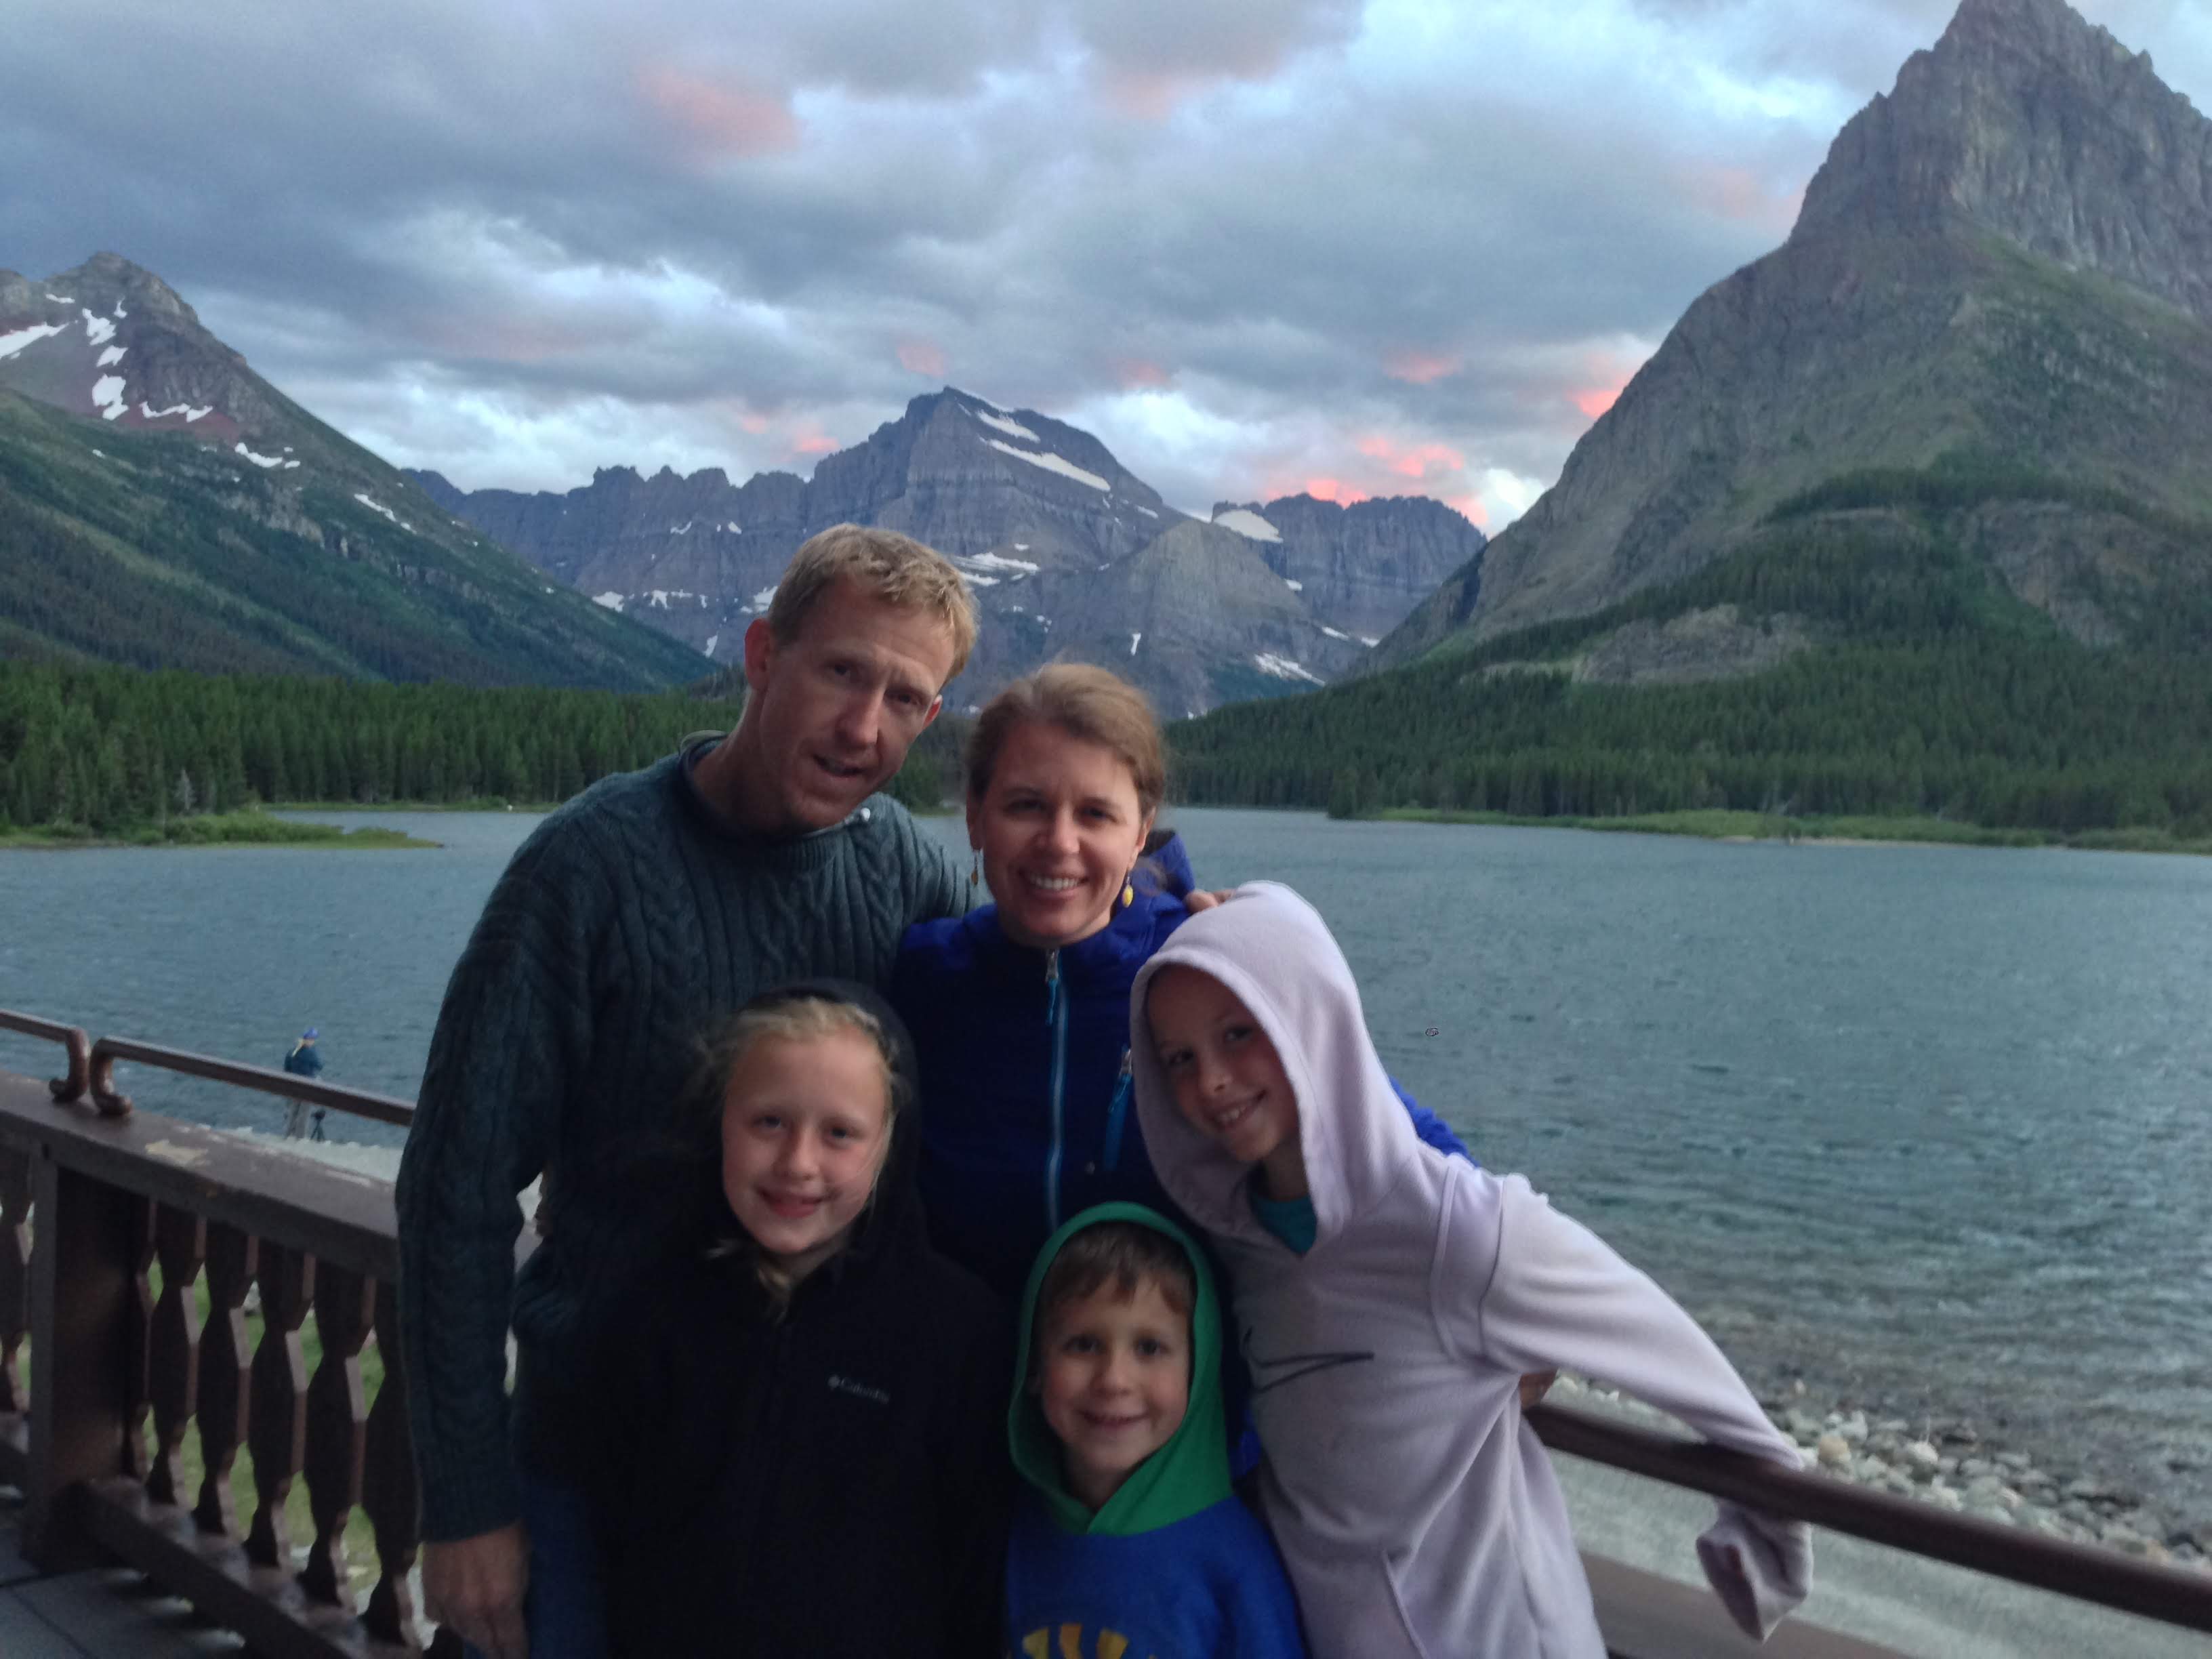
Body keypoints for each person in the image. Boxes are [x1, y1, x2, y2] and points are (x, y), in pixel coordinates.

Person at [394, 524, 979, 1659]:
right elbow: (456, 1187)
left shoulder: (901, 867)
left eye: (904, 699)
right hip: (586, 1462)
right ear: (762, 654)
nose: (864, 726)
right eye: (842, 671)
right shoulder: (588, 868)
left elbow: (1018, 1004)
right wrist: (464, 1499)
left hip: (808, 1466)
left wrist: (1175, 934)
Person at [1130, 883, 1814, 1659]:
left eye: (1239, 1032)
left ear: (1309, 1016)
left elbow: (1665, 1348)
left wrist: (1763, 1547)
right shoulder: (1240, 1244)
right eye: (1179, 1058)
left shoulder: (1458, 1229)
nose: (1211, 1081)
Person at [890, 662, 1471, 1305]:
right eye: (1026, 805)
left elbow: (1390, 1135)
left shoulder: (1205, 973)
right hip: (961, 1367)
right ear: (975, 815)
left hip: (1187, 1371)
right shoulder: (922, 979)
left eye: (1095, 814)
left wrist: (1503, 1282)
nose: (1059, 842)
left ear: (1140, 832)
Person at [579, 982, 1007, 1658]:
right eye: (769, 1123)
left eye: (840, 1134)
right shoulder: (653, 1310)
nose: (797, 1163)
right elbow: (611, 1524)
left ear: (890, 1145)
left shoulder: (957, 1334)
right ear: (720, 1121)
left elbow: (975, 1571)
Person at [1006, 1203, 1307, 1658]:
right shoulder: (1007, 1530)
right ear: (1034, 1366)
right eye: (1083, 1344)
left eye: (1149, 1348)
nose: (1114, 1380)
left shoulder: (1235, 1565)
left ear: (1197, 1371)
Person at [281, 1028, 324, 1139]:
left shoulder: (292, 1051)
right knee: (304, 1113)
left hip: (294, 1085)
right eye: (313, 1039)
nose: (313, 1041)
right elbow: (320, 1066)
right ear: (310, 1040)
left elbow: (286, 1069)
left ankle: (288, 1135)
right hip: (307, 1087)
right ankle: (300, 1138)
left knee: (293, 1112)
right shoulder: (310, 1053)